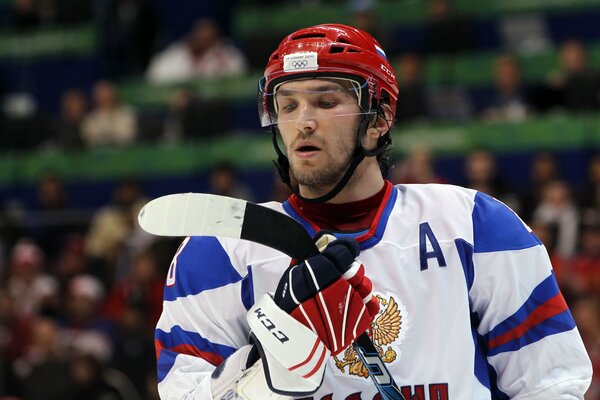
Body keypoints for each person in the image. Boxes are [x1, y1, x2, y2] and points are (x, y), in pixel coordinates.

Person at [154, 24, 592, 399]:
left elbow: (551, 382)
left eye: (326, 103)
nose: (303, 121)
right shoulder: (222, 251)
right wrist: (269, 370)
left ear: (379, 119)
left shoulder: (476, 226)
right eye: (287, 106)